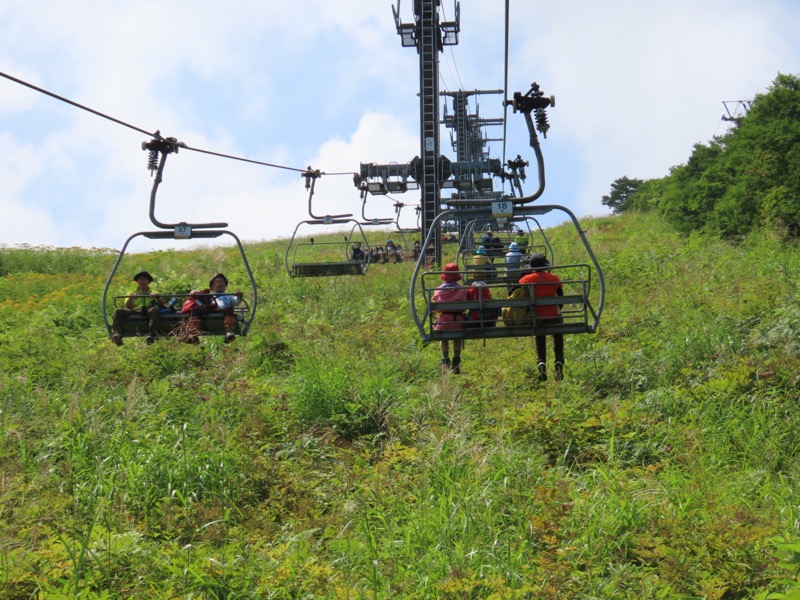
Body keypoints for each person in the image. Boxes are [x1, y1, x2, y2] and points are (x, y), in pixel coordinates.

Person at [518, 254, 564, 381]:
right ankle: (559, 361)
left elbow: (517, 294)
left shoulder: (527, 279)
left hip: (537, 316)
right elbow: (561, 298)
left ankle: (541, 361)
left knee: (540, 335)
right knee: (558, 335)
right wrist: (558, 310)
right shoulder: (554, 278)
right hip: (554, 315)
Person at [110, 270, 165, 346]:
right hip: (134, 310)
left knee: (156, 310)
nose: (142, 281)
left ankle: (150, 334)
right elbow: (127, 307)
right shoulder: (132, 292)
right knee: (117, 311)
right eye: (140, 279)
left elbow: (162, 305)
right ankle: (117, 333)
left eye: (145, 279)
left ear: (148, 282)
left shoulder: (153, 292)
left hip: (148, 310)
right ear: (137, 281)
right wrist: (130, 298)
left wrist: (157, 296)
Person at [432, 263, 469, 374]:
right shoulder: (462, 290)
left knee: (444, 338)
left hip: (443, 322)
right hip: (458, 322)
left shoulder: (437, 290)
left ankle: (445, 361)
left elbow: (436, 308)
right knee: (457, 337)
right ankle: (456, 361)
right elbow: (466, 306)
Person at [209, 273, 244, 343]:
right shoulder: (208, 296)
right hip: (211, 312)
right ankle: (192, 331)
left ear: (225, 286)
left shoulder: (228, 296)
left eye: (222, 282)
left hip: (224, 311)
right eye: (217, 282)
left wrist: (239, 297)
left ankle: (229, 331)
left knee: (229, 308)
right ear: (212, 287)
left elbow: (236, 302)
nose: (220, 284)